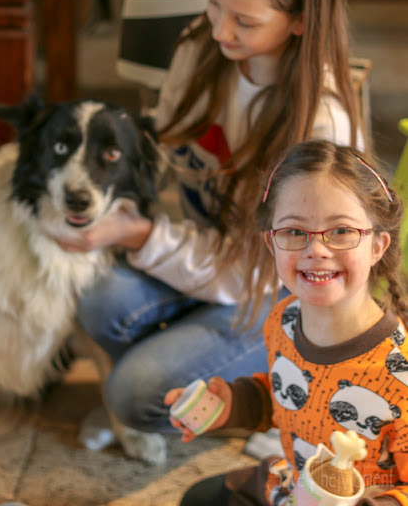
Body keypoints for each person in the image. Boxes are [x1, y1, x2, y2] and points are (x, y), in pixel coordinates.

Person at [58, 0, 364, 440]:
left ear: (299, 21)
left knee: (135, 393)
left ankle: (273, 403)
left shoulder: (321, 129)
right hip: (214, 249)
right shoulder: (201, 47)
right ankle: (197, 359)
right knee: (99, 301)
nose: (220, 29)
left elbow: (247, 271)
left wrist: (140, 235)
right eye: (213, 3)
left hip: (277, 290)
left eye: (245, 20)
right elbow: (168, 146)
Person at [166, 139, 407, 506]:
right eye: (295, 232)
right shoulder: (284, 319)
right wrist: (229, 404)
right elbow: (287, 398)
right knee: (198, 499)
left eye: (341, 231)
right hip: (291, 483)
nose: (317, 249)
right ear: (271, 243)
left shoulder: (400, 374)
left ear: (377, 246)